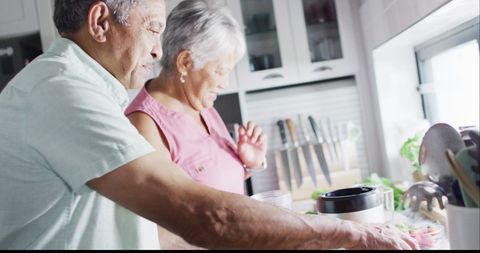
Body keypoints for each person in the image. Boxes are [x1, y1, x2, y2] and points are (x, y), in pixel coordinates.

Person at [0, 0, 419, 250]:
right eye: (152, 29)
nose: (156, 49)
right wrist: (347, 234)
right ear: (100, 23)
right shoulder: (61, 92)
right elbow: (203, 215)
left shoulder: (78, 90)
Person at [124, 1, 266, 249]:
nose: (225, 83)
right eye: (221, 71)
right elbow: (159, 234)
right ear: (186, 62)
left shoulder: (203, 106)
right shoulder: (145, 125)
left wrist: (248, 164)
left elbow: (210, 183)